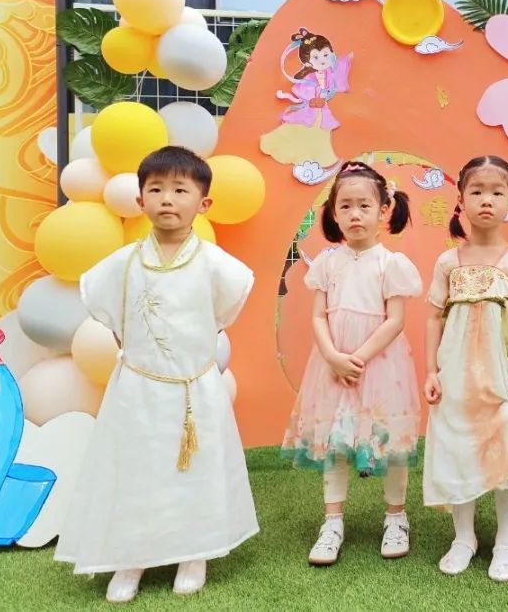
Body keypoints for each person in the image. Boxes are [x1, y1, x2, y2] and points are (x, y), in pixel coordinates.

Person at [56, 146, 257, 602]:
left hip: (193, 389)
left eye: (181, 190)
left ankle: (195, 552)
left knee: (195, 468)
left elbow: (219, 318)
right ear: (140, 200)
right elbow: (113, 320)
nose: (168, 198)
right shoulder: (121, 264)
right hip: (137, 389)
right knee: (136, 468)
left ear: (203, 203)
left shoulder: (219, 266)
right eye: (156, 189)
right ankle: (131, 558)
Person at [281, 162, 421, 566]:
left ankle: (396, 518)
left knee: (389, 443)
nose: (355, 214)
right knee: (335, 443)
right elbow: (317, 316)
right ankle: (332, 523)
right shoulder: (327, 263)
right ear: (333, 213)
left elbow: (395, 320)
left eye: (364, 205)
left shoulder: (391, 263)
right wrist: (332, 356)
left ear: (384, 210)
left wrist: (357, 358)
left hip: (380, 366)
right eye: (345, 206)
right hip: (332, 364)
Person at [422, 155, 508, 582]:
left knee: (506, 453)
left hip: (503, 379)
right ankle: (464, 538)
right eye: (476, 191)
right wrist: (431, 371)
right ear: (460, 200)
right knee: (459, 451)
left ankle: (506, 541)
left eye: (497, 192)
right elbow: (432, 318)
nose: (486, 200)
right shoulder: (448, 262)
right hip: (456, 377)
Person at [260, 29, 351, 167]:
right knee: (299, 129)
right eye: (316, 57)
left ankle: (320, 158)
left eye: (325, 54)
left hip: (322, 110)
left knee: (321, 132)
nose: (322, 60)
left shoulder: (330, 75)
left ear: (331, 54)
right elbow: (301, 90)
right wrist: (314, 96)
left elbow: (339, 73)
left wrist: (347, 59)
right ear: (308, 63)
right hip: (310, 109)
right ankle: (290, 151)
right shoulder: (309, 78)